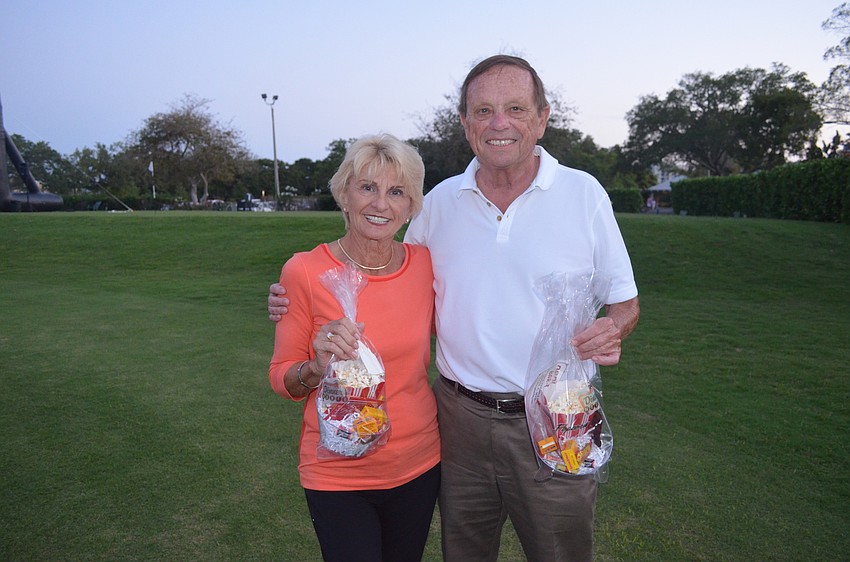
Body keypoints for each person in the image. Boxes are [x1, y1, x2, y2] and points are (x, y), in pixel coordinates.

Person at [269, 56, 640, 562]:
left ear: (542, 117)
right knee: (464, 552)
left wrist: (611, 329)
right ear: (465, 123)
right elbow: (383, 270)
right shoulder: (441, 203)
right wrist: (294, 301)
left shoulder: (584, 194)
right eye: (483, 110)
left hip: (557, 417)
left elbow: (625, 302)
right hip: (458, 422)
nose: (499, 123)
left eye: (514, 108)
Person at [268, 133, 440, 562]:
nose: (381, 204)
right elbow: (282, 378)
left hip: (418, 465)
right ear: (344, 195)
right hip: (337, 472)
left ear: (411, 207)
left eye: (396, 192)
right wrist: (314, 367)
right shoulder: (305, 271)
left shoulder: (426, 266)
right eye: (368, 187)